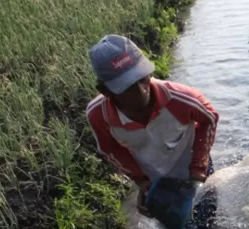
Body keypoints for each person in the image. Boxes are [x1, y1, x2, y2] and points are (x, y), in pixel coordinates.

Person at [86, 34, 219, 216]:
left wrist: (198, 170)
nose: (141, 90)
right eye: (128, 86)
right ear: (106, 91)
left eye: (141, 78)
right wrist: (142, 182)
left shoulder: (182, 99)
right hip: (157, 180)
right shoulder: (99, 116)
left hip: (194, 168)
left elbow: (209, 119)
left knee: (206, 221)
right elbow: (111, 150)